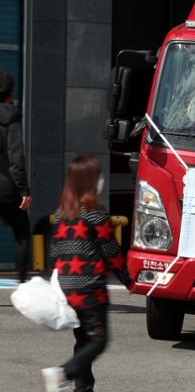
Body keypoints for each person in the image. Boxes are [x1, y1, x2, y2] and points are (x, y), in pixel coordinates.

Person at [41, 154, 132, 392]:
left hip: (68, 287)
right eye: (98, 176)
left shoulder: (62, 213)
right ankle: (63, 373)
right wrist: (129, 280)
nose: (101, 180)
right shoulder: (95, 213)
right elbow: (111, 252)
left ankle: (83, 388)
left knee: (83, 340)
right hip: (90, 289)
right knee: (98, 340)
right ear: (89, 181)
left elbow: (55, 252)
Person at [0, 69, 32, 283]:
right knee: (21, 233)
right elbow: (15, 158)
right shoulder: (10, 116)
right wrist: (24, 191)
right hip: (6, 190)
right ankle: (22, 285)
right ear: (10, 95)